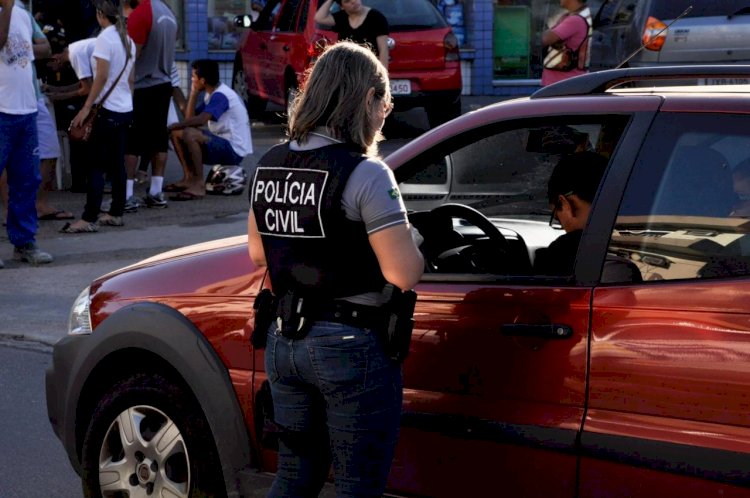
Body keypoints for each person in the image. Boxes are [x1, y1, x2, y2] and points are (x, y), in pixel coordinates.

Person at [247, 41, 423, 497]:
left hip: (284, 344)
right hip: (351, 346)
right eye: (384, 101)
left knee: (293, 478)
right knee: (355, 486)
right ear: (365, 99)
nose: (386, 112)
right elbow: (404, 274)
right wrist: (413, 241)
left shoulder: (269, 164)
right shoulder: (366, 173)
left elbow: (258, 254)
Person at [60, 0, 135, 233]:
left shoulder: (105, 38)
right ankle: (116, 213)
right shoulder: (128, 40)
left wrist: (86, 107)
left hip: (107, 109)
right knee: (117, 164)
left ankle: (88, 218)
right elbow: (131, 79)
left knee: (95, 165)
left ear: (100, 14)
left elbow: (100, 77)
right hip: (124, 109)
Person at [0, 0, 53, 267]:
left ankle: (24, 242)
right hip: (1, 109)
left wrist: (25, 46)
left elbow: (46, 47)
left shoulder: (22, 12)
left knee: (26, 180)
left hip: (26, 108)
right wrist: (6, 9)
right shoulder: (11, 9)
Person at [167, 59, 252, 200]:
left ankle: (198, 185)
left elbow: (200, 120)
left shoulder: (221, 95)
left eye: (194, 77)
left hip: (233, 149)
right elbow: (190, 118)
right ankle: (189, 178)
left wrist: (174, 125)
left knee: (190, 134)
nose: (191, 79)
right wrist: (193, 93)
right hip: (222, 143)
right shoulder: (211, 93)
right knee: (177, 133)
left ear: (203, 80)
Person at [122, 0, 177, 210]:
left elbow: (131, 57)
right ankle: (156, 191)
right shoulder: (169, 15)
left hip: (142, 84)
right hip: (163, 83)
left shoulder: (142, 14)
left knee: (132, 140)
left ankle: (126, 195)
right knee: (159, 139)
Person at [534, 151, 607, 276]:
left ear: (565, 203)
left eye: (557, 218)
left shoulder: (565, 251)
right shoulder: (632, 239)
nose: (563, 228)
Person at [314, 0, 389, 68]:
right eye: (347, 1)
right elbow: (319, 18)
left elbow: (383, 49)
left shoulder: (376, 18)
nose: (353, 1)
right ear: (342, 7)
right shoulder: (342, 18)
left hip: (368, 70)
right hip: (346, 70)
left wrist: (381, 74)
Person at [541, 0, 592, 87]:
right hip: (560, 84)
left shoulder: (575, 20)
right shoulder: (569, 16)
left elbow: (544, 39)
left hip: (564, 86)